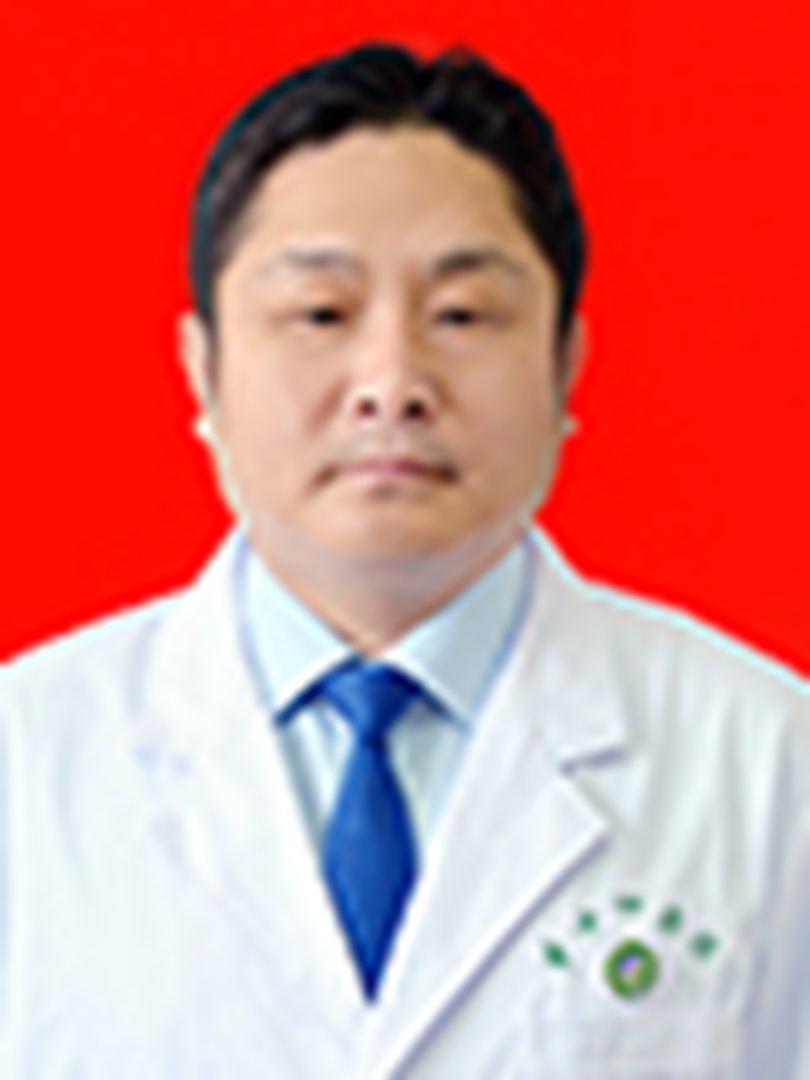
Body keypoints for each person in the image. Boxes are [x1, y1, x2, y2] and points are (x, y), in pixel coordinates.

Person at [0, 42, 808, 1080]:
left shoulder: (768, 762)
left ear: (565, 366)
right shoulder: (27, 759)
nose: (391, 382)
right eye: (321, 315)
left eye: (461, 315)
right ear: (203, 372)